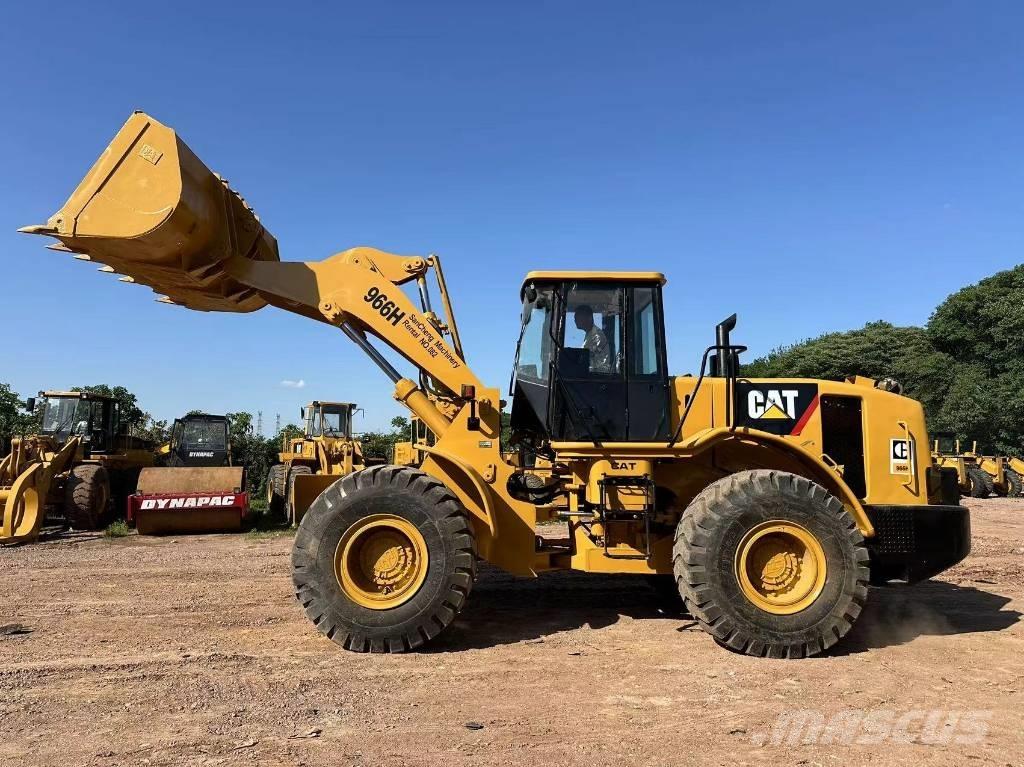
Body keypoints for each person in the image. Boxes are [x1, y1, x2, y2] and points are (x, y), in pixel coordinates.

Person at [573, 305, 611, 373]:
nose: (575, 319)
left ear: (589, 317)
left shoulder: (596, 336)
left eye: (578, 316)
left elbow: (587, 361)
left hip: (597, 379)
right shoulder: (590, 334)